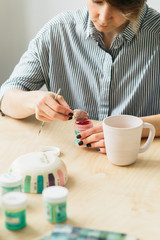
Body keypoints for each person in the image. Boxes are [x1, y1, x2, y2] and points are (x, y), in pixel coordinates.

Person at [0, 0, 159, 153]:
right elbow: (5, 97)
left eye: (120, 6)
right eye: (97, 1)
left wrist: (134, 129)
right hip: (71, 159)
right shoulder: (57, 31)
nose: (103, 17)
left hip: (141, 163)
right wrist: (35, 101)